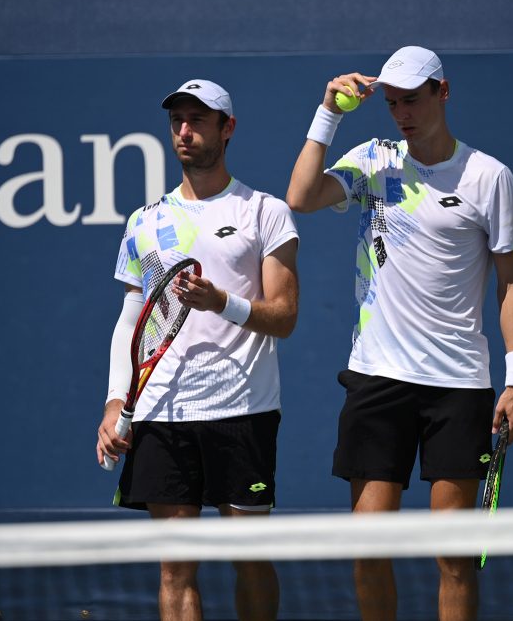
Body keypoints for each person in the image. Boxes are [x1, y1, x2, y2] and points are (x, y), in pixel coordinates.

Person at [286, 46, 513, 620]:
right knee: (369, 549)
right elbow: (300, 197)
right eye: (393, 103)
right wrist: (329, 112)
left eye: (413, 100)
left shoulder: (489, 177)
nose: (402, 113)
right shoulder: (374, 159)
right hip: (377, 379)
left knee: (455, 557)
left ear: (442, 92)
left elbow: (512, 283)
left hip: (457, 383)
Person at [97, 79, 300, 621]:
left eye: (198, 121)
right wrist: (117, 400)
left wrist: (223, 302)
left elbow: (284, 317)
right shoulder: (144, 222)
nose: (184, 132)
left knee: (250, 561)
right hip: (162, 413)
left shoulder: (266, 212)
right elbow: (130, 320)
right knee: (175, 569)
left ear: (226, 129)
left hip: (243, 412)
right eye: (177, 122)